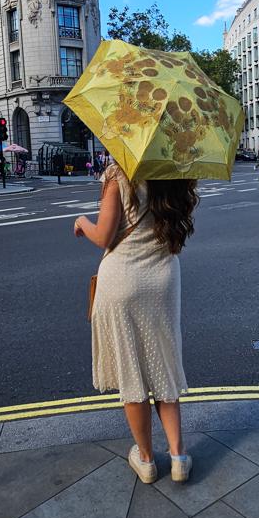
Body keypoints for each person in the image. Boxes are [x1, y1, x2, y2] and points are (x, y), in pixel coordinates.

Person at [74, 163, 199, 486]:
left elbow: (103, 235)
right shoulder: (175, 170)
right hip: (163, 279)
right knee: (163, 366)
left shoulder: (119, 174)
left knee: (132, 370)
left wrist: (81, 223)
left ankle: (145, 460)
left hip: (123, 279)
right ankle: (178, 456)